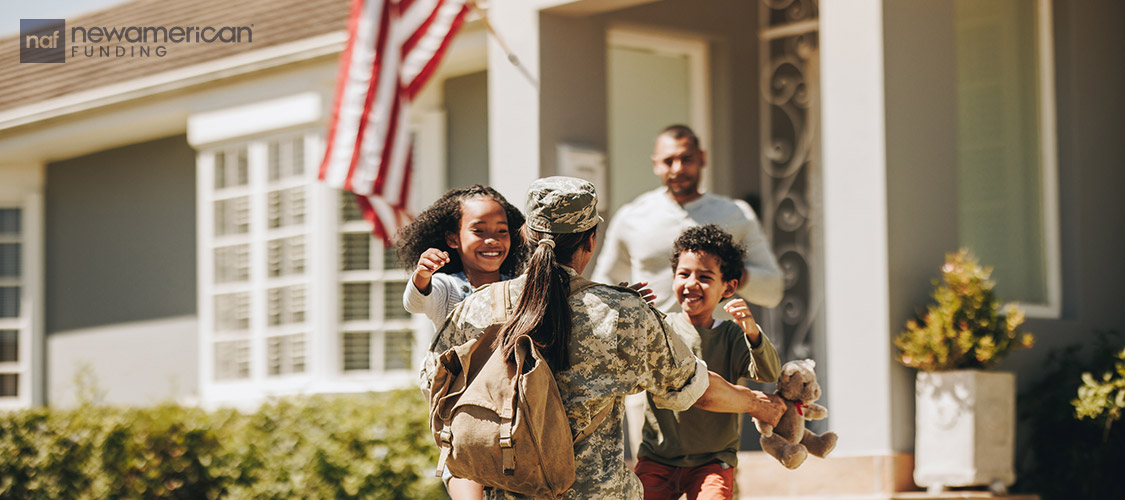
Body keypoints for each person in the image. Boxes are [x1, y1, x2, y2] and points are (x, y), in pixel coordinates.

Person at [421, 176, 786, 499]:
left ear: (526, 236)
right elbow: (697, 390)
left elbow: (434, 386)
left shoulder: (478, 306)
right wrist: (758, 404)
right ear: (591, 241)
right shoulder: (623, 314)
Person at [397, 184, 528, 500]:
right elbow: (416, 301)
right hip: (464, 414)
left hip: (515, 412)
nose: (492, 240)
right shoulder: (449, 289)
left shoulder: (520, 288)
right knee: (465, 467)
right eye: (479, 231)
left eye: (501, 231)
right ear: (452, 238)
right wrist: (422, 275)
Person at [635, 225, 781, 500]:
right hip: (658, 459)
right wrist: (629, 312)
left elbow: (768, 372)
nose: (691, 284)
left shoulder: (732, 334)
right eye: (684, 274)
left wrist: (752, 330)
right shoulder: (660, 329)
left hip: (712, 462)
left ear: (728, 288)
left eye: (704, 277)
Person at [592, 124, 783, 313]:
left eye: (686, 159)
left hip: (715, 342)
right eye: (668, 161)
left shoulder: (736, 214)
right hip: (651, 341)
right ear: (655, 164)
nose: (678, 169)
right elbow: (603, 288)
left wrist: (729, 271)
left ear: (702, 158)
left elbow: (773, 291)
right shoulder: (630, 217)